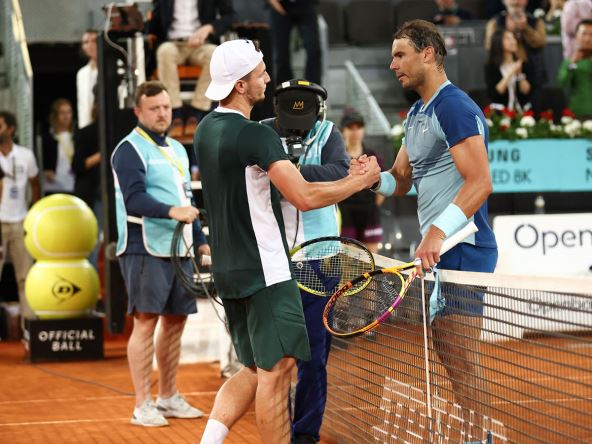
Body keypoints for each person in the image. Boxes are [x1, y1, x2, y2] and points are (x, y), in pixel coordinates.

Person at [194, 39, 379, 444]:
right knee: (276, 374)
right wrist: (359, 181)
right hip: (266, 271)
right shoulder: (255, 136)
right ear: (240, 85)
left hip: (229, 270)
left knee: (253, 368)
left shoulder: (205, 129)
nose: (267, 79)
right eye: (260, 74)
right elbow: (304, 197)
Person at [360, 20, 498, 440]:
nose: (392, 65)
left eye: (400, 55)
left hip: (464, 245)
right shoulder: (418, 113)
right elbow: (402, 178)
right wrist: (373, 178)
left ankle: (480, 438)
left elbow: (481, 182)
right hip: (442, 249)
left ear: (428, 54)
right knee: (449, 350)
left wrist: (436, 232)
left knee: (460, 352)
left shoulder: (452, 106)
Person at [110, 80, 211, 427]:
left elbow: (187, 199)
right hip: (143, 247)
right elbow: (134, 199)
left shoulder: (179, 149)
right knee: (146, 322)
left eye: (166, 107)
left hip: (179, 247)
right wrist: (172, 212)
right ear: (138, 111)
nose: (162, 113)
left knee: (176, 321)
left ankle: (168, 397)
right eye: (154, 108)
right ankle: (142, 405)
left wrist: (201, 240)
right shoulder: (128, 149)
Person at [261, 79, 349, 444]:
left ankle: (306, 435)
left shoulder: (329, 133)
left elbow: (340, 171)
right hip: (274, 261)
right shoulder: (262, 132)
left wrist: (287, 172)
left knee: (314, 356)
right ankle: (280, 429)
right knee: (275, 359)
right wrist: (292, 174)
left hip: (321, 260)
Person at [147, 0, 236, 138]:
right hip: (173, 44)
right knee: (164, 51)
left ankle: (196, 114)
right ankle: (175, 114)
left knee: (215, 54)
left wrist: (209, 27)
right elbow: (155, 22)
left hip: (201, 44)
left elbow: (230, 16)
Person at [0, 111, 41, 325]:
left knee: (25, 275)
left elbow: (35, 184)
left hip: (20, 220)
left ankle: (29, 325)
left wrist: (33, 213)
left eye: (0, 126)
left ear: (11, 129)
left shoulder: (25, 155)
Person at [485, 0, 546, 113]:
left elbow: (541, 42)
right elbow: (490, 44)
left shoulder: (535, 21)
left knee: (533, 103)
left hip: (532, 68)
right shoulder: (495, 22)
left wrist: (525, 28)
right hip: (501, 67)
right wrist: (507, 30)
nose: (516, 2)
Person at [338, 109, 384, 254]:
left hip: (369, 211)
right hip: (345, 211)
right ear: (343, 130)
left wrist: (373, 205)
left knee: (373, 257)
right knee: (348, 256)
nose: (355, 132)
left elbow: (382, 183)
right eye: (350, 128)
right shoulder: (337, 157)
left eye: (359, 127)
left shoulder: (373, 156)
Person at [268, 0, 322, 85]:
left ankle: (313, 88)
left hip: (305, 5)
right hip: (280, 5)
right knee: (281, 54)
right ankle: (285, 88)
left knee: (313, 49)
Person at [485, 29, 535, 111]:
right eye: (507, 38)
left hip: (520, 110)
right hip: (500, 111)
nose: (513, 41)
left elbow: (527, 91)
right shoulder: (491, 66)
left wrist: (519, 74)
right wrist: (511, 72)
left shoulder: (522, 63)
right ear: (498, 42)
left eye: (513, 38)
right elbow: (496, 93)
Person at [557, 19, 592, 118]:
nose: (588, 39)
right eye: (584, 34)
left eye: (591, 34)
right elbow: (562, 84)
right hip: (578, 112)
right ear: (576, 36)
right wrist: (572, 64)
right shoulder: (569, 62)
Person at [42, 98, 75, 195]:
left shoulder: (76, 136)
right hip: (53, 187)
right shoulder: (48, 137)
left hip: (72, 185)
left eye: (68, 112)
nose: (66, 116)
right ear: (55, 115)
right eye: (62, 113)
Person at [76, 30, 98, 130]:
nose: (90, 45)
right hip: (87, 125)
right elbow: (81, 104)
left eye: (94, 41)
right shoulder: (82, 73)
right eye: (86, 42)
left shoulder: (116, 67)